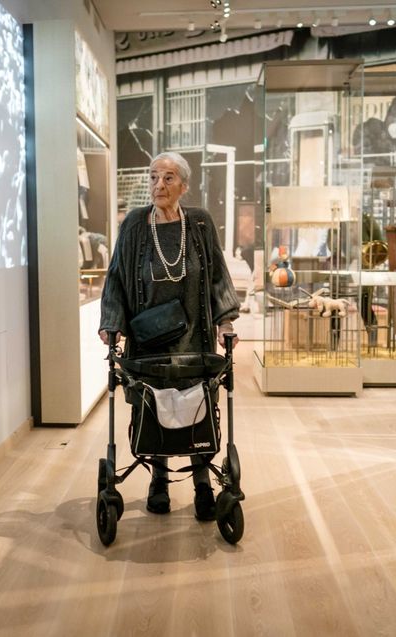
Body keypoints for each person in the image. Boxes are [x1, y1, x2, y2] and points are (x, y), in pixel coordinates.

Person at [99, 151, 239, 520]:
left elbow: (218, 276)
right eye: (154, 177)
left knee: (197, 408)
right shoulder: (133, 225)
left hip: (195, 338)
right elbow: (115, 278)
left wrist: (226, 321)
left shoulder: (201, 224)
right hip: (149, 342)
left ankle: (203, 486)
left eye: (169, 178)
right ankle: (158, 481)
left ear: (184, 186)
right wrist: (110, 322)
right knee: (155, 406)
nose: (159, 185)